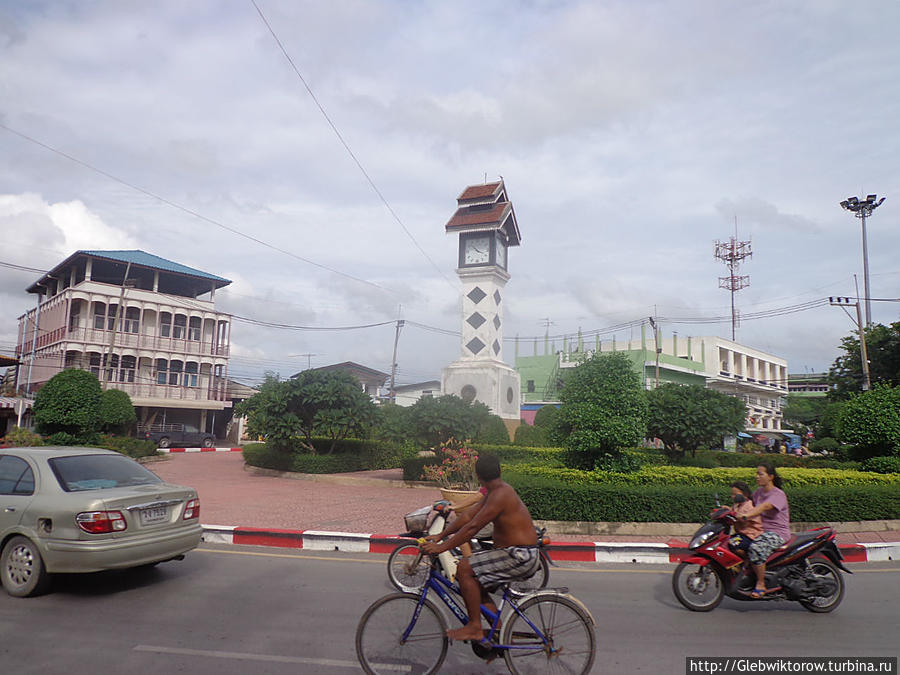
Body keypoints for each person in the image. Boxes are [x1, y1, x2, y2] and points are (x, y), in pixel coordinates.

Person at [422, 454, 539, 642]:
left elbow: (472, 527)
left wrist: (441, 547)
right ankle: (497, 637)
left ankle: (475, 627)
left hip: (519, 556)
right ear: (500, 471)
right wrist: (440, 535)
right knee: (476, 584)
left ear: (478, 477)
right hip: (515, 553)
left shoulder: (501, 495)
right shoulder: (497, 491)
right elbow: (468, 516)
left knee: (464, 568)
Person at [739, 462, 791, 597]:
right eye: (756, 474)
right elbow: (748, 504)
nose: (757, 477)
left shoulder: (778, 494)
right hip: (761, 531)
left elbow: (764, 507)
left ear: (770, 477)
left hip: (777, 533)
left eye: (760, 474)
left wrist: (746, 516)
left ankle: (761, 583)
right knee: (736, 543)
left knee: (756, 548)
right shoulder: (758, 493)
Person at [727, 480, 762, 556]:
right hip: (740, 534)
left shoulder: (749, 505)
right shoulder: (737, 504)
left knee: (733, 545)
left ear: (745, 495)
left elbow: (741, 516)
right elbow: (733, 511)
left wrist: (735, 515)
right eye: (732, 494)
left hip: (750, 535)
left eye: (735, 494)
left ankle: (747, 559)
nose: (733, 497)